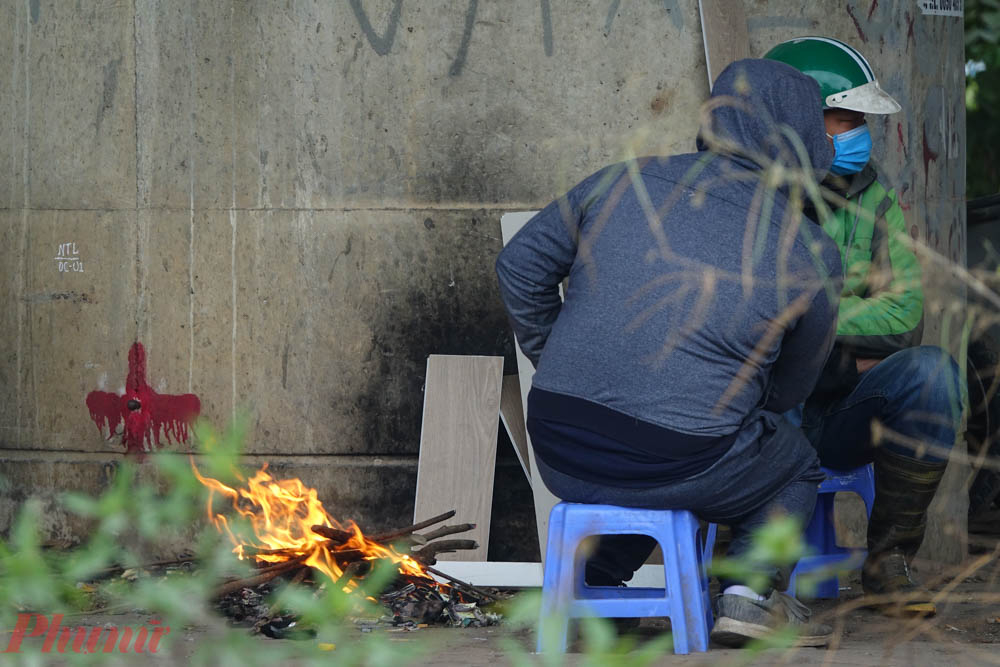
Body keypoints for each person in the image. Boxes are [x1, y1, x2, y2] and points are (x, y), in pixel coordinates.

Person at [496, 58, 842, 647]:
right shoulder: (807, 247)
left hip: (557, 446)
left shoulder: (616, 180)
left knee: (654, 447)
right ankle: (750, 596)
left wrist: (547, 351)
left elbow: (518, 265)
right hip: (685, 458)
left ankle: (598, 582)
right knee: (793, 464)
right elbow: (792, 389)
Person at [764, 37, 965, 616]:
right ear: (797, 119)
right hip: (770, 417)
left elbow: (903, 319)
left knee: (933, 375)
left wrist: (816, 318)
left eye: (860, 122)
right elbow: (753, 321)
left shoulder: (874, 194)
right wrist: (840, 336)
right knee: (780, 373)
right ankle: (755, 578)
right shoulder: (750, 195)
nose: (857, 133)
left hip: (842, 405)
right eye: (844, 118)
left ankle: (888, 562)